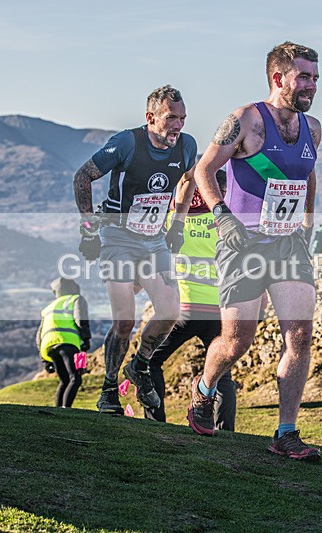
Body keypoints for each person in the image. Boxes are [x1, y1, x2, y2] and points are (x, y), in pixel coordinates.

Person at [187, 41, 322, 462]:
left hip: (287, 244)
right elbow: (204, 170)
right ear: (278, 77)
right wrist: (222, 216)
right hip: (242, 244)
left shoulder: (313, 128)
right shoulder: (246, 120)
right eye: (304, 77)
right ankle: (204, 389)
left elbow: (308, 174)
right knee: (236, 341)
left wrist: (308, 222)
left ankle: (286, 432)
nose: (312, 86)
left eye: (316, 78)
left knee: (299, 335)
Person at [73, 85, 197, 415]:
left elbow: (189, 180)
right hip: (118, 238)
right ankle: (108, 389)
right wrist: (88, 229)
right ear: (150, 117)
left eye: (183, 118)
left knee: (170, 312)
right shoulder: (127, 143)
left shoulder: (187, 146)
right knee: (125, 321)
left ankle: (139, 366)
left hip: (154, 240)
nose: (178, 125)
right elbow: (83, 176)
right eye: (171, 118)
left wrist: (177, 225)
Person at [144, 170, 237, 430]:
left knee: (150, 361)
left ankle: (155, 422)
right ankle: (226, 430)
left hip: (182, 308)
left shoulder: (174, 219)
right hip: (218, 309)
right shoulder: (226, 223)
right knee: (222, 372)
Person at [36, 277, 91, 408]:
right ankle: (66, 409)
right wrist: (86, 339)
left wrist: (45, 360)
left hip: (49, 347)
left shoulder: (48, 308)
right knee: (75, 378)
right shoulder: (76, 299)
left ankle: (58, 411)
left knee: (64, 380)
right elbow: (80, 319)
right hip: (67, 342)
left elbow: (39, 335)